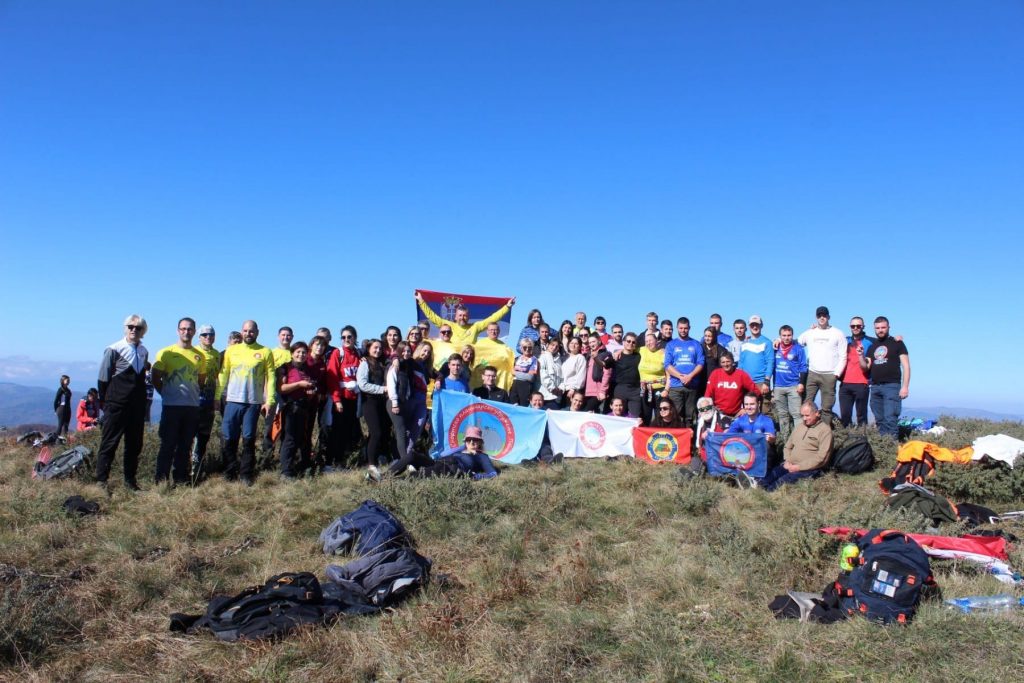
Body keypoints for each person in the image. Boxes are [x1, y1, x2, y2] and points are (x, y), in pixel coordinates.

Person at [215, 320, 275, 486]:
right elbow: (223, 374)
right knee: (229, 438)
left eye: (251, 331)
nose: (248, 333)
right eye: (245, 330)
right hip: (232, 401)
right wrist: (217, 396)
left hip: (252, 403)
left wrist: (268, 400)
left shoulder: (265, 351)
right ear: (242, 332)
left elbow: (271, 378)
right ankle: (229, 472)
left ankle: (246, 474)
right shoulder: (231, 351)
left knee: (248, 439)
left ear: (257, 332)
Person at [95, 314, 150, 491]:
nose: (134, 330)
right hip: (116, 405)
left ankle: (130, 482)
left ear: (143, 331)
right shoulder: (114, 349)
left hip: (137, 407)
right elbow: (103, 378)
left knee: (134, 445)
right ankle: (101, 481)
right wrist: (106, 402)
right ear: (125, 328)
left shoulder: (144, 351)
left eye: (138, 327)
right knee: (109, 443)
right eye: (130, 326)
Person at [152, 317, 206, 485]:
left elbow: (201, 380)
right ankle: (161, 480)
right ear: (177, 330)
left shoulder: (199, 356)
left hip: (191, 407)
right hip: (171, 406)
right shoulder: (165, 353)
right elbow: (155, 377)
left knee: (185, 445)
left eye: (189, 329)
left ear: (194, 332)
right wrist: (166, 394)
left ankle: (180, 479)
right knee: (168, 444)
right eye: (183, 329)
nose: (186, 332)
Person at [757, 401, 833, 492]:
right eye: (802, 416)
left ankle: (766, 497)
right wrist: (787, 460)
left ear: (817, 413)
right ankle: (756, 488)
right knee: (769, 477)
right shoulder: (800, 427)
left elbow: (822, 458)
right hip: (790, 464)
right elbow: (787, 447)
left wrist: (798, 467)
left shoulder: (825, 431)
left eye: (807, 415)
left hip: (808, 469)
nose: (804, 418)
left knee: (779, 483)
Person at [385, 343, 435, 477]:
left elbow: (434, 373)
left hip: (414, 402)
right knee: (401, 431)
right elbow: (391, 376)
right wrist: (394, 358)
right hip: (400, 402)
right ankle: (404, 462)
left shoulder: (418, 366)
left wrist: (439, 377)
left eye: (429, 352)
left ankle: (406, 459)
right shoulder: (402, 364)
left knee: (413, 430)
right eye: (424, 350)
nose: (426, 354)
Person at [275, 342, 320, 479]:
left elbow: (309, 386)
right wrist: (299, 384)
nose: (301, 355)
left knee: (301, 438)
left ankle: (297, 466)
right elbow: (281, 388)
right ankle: (286, 471)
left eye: (304, 352)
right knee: (289, 439)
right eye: (298, 352)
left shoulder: (307, 369)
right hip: (290, 407)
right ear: (292, 353)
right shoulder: (285, 367)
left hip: (304, 407)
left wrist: (311, 390)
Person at [796, 306, 847, 424]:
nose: (822, 317)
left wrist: (836, 374)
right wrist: (778, 340)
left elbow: (843, 356)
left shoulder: (838, 333)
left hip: (829, 375)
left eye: (824, 315)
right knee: (806, 404)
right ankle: (806, 431)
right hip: (812, 374)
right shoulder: (810, 332)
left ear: (828, 317)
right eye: (819, 315)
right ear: (816, 317)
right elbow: (795, 343)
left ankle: (824, 434)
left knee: (827, 407)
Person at [415, 291, 516, 347]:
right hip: (452, 362)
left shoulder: (475, 327)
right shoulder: (448, 326)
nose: (462, 318)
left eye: (465, 316)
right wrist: (421, 301)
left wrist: (507, 307)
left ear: (468, 317)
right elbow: (432, 316)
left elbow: (492, 318)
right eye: (460, 315)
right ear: (455, 316)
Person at [866, 316, 911, 439]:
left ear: (888, 327)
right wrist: (860, 356)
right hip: (875, 387)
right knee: (879, 420)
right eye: (878, 328)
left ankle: (892, 450)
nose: (880, 330)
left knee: (890, 419)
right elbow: (867, 365)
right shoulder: (872, 346)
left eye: (883, 327)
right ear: (874, 329)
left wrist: (905, 387)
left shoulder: (897, 343)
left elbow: (906, 366)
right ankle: (883, 448)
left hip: (892, 386)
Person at [326, 325, 362, 470]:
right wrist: (337, 400)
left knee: (347, 432)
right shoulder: (337, 353)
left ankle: (340, 462)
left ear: (355, 338)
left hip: (354, 399)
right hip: (341, 399)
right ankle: (329, 463)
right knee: (336, 431)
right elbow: (332, 377)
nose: (346, 339)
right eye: (343, 337)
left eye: (349, 336)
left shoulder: (358, 354)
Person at [357, 338, 390, 480]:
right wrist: (382, 389)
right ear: (369, 349)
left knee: (381, 432)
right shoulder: (365, 363)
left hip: (381, 402)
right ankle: (371, 465)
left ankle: (372, 457)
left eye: (380, 348)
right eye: (375, 348)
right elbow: (362, 384)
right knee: (375, 432)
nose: (378, 350)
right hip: (369, 402)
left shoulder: (382, 364)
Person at [412, 426, 499, 479]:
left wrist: (476, 476)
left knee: (415, 475)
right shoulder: (461, 450)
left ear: (480, 442)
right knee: (412, 456)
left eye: (475, 440)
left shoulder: (481, 456)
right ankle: (398, 470)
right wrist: (463, 446)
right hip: (438, 462)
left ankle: (400, 481)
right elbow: (442, 454)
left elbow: (493, 474)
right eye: (469, 439)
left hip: (450, 469)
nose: (471, 442)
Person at [191, 324, 221, 478]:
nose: (208, 337)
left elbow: (219, 378)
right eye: (205, 335)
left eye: (211, 334)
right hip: (193, 401)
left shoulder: (217, 355)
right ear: (199, 337)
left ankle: (197, 471)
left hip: (208, 402)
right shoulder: (194, 352)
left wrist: (217, 398)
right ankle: (184, 471)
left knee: (203, 436)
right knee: (188, 436)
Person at [664, 317, 705, 427]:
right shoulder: (671, 345)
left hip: (692, 386)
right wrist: (680, 376)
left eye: (685, 328)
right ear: (677, 328)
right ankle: (677, 442)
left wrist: (690, 376)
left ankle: (690, 443)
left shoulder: (696, 344)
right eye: (681, 328)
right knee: (676, 416)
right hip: (676, 386)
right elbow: (667, 365)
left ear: (689, 328)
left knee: (690, 417)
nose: (683, 330)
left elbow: (701, 363)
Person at [773, 325, 808, 446]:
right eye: (784, 335)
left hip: (793, 385)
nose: (786, 338)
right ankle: (785, 441)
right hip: (778, 386)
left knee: (797, 414)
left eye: (789, 335)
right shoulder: (775, 348)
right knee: (782, 415)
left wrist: (801, 383)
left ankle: (799, 441)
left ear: (792, 336)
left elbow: (803, 367)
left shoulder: (798, 349)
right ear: (780, 336)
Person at [839, 316, 874, 428]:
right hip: (845, 384)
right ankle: (846, 440)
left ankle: (862, 441)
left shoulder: (870, 341)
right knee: (845, 416)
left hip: (862, 383)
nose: (855, 328)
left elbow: (884, 342)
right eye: (853, 326)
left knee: (861, 416)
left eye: (858, 326)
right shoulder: (845, 340)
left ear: (863, 326)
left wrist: (896, 339)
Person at [703, 351, 758, 418]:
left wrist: (746, 408)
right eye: (723, 362)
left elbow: (756, 392)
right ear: (720, 363)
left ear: (732, 362)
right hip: (718, 414)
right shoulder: (715, 374)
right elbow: (707, 395)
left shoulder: (741, 374)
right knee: (702, 413)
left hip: (736, 415)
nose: (726, 364)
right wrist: (705, 411)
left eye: (728, 361)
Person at [738, 315, 774, 410]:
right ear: (749, 327)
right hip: (746, 383)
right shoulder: (744, 343)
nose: (755, 327)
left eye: (757, 325)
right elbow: (741, 363)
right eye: (752, 325)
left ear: (761, 325)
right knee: (748, 411)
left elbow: (770, 362)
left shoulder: (767, 342)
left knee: (765, 411)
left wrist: (766, 381)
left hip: (761, 383)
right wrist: (739, 381)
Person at [471, 322, 514, 390]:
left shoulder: (504, 346)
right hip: (482, 379)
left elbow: (509, 363)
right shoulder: (480, 343)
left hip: (498, 380)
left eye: (495, 330)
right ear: (487, 331)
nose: (493, 332)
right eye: (491, 330)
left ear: (499, 331)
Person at [610, 332, 643, 420]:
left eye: (633, 342)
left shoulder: (639, 355)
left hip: (635, 390)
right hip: (620, 389)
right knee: (618, 416)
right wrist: (595, 358)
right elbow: (604, 364)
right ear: (623, 342)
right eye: (628, 341)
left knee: (635, 417)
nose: (630, 343)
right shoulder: (617, 356)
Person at [638, 331, 666, 424]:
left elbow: (668, 373)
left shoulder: (663, 353)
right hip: (645, 388)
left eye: (650, 340)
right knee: (645, 415)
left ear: (657, 341)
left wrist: (667, 389)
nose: (648, 343)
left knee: (660, 415)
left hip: (660, 387)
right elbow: (628, 348)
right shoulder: (641, 350)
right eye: (646, 341)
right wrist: (619, 351)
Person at [583, 336, 612, 412]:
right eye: (590, 342)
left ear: (599, 341)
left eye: (593, 342)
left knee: (587, 412)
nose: (591, 344)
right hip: (587, 392)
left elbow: (607, 374)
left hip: (597, 392)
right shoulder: (588, 355)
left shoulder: (606, 354)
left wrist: (603, 391)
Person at [698, 327, 728, 397]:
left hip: (715, 382)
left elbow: (723, 368)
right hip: (701, 383)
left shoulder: (721, 350)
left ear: (714, 337)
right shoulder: (700, 348)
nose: (707, 338)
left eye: (709, 336)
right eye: (705, 336)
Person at [509, 338, 539, 406]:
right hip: (514, 385)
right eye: (525, 347)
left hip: (525, 386)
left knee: (523, 406)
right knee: (513, 405)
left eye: (530, 347)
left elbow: (530, 377)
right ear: (521, 348)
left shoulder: (534, 360)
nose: (527, 349)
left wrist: (515, 373)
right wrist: (523, 373)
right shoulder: (516, 359)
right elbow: (510, 372)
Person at [559, 337, 587, 406]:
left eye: (576, 344)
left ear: (580, 346)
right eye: (571, 343)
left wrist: (573, 389)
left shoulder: (580, 358)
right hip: (562, 390)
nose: (573, 345)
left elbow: (581, 376)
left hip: (572, 391)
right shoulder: (565, 358)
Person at [537, 338, 563, 410]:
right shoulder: (543, 357)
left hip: (556, 397)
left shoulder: (559, 360)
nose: (554, 347)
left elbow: (562, 377)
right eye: (552, 345)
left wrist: (561, 388)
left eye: (557, 346)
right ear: (548, 345)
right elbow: (542, 374)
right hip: (545, 396)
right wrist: (552, 388)